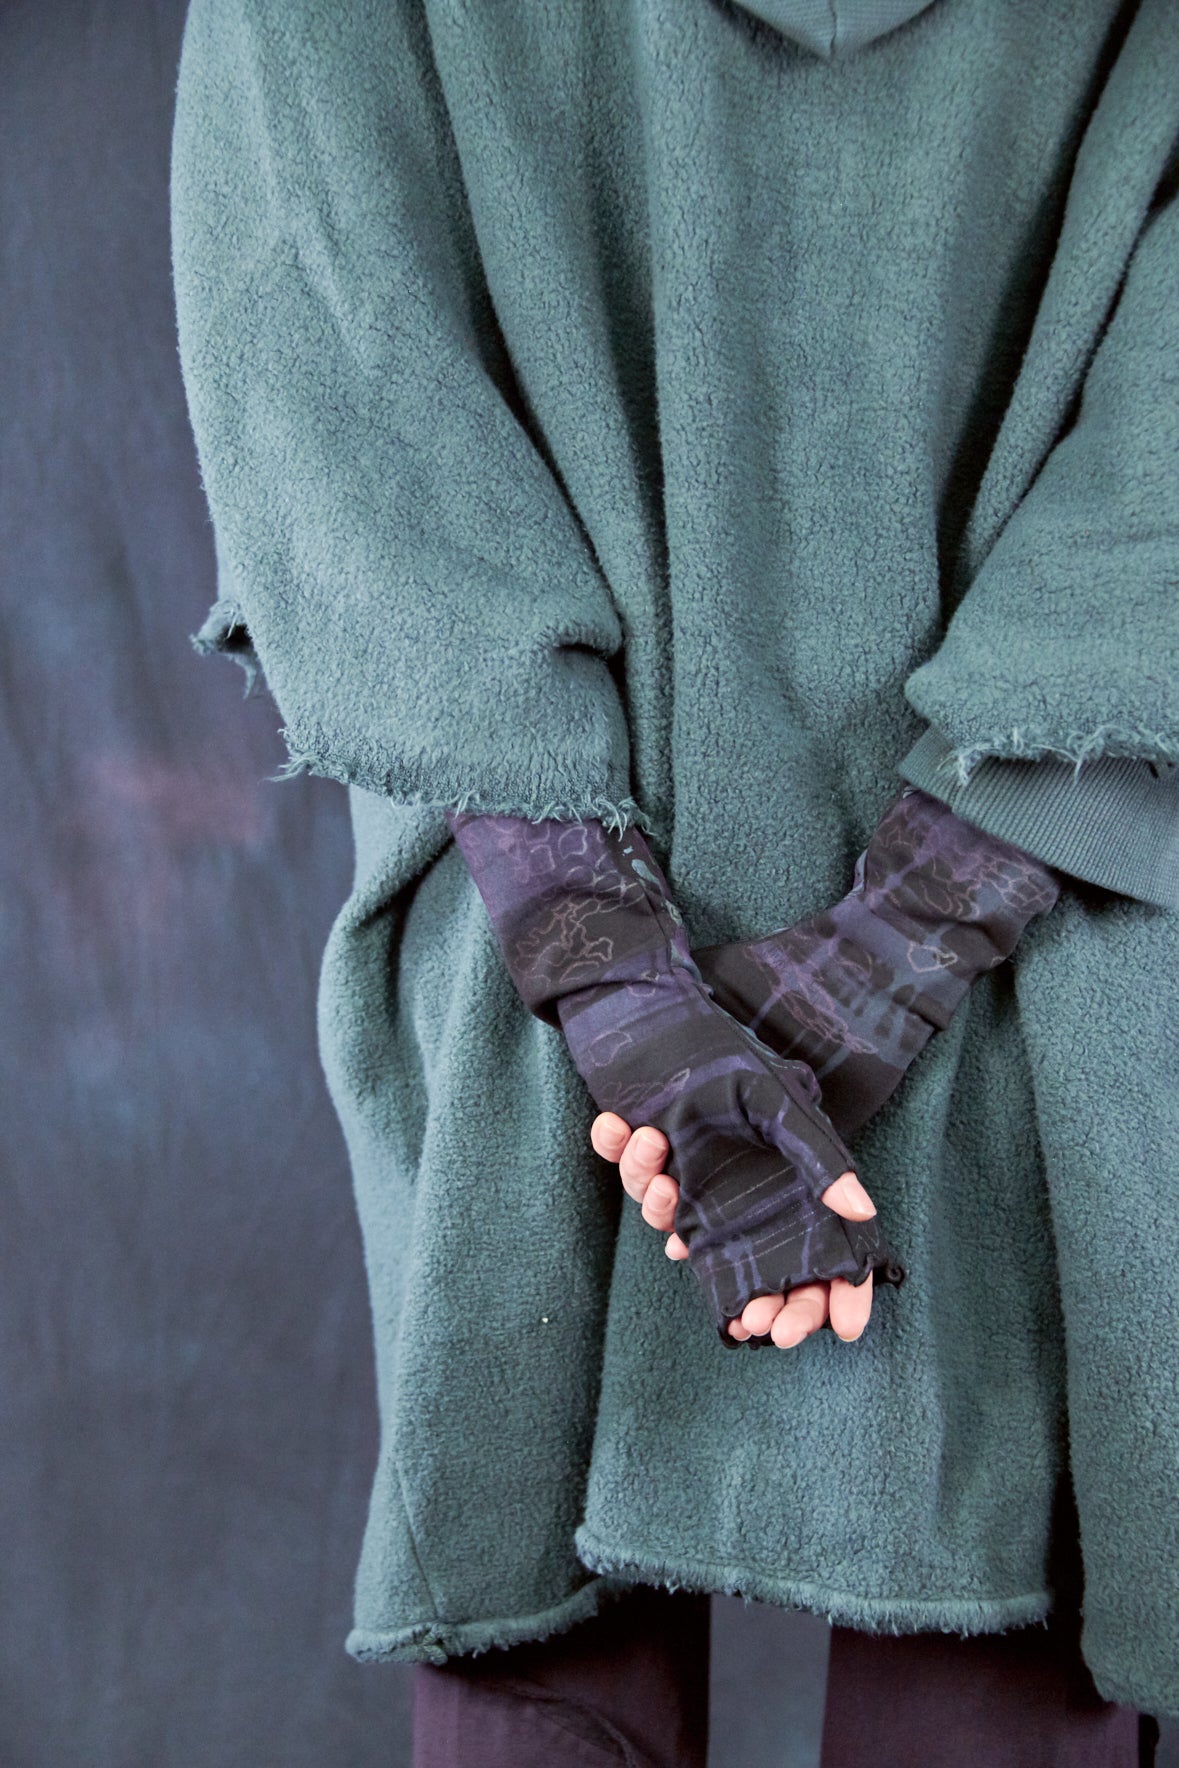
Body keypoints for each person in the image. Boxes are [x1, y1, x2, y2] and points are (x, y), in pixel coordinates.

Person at [170, 0, 1179, 1760]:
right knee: (999, 1666)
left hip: (534, 923)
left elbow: (317, 290)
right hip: (1049, 892)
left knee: (552, 1675)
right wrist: (903, 932)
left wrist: (611, 966)